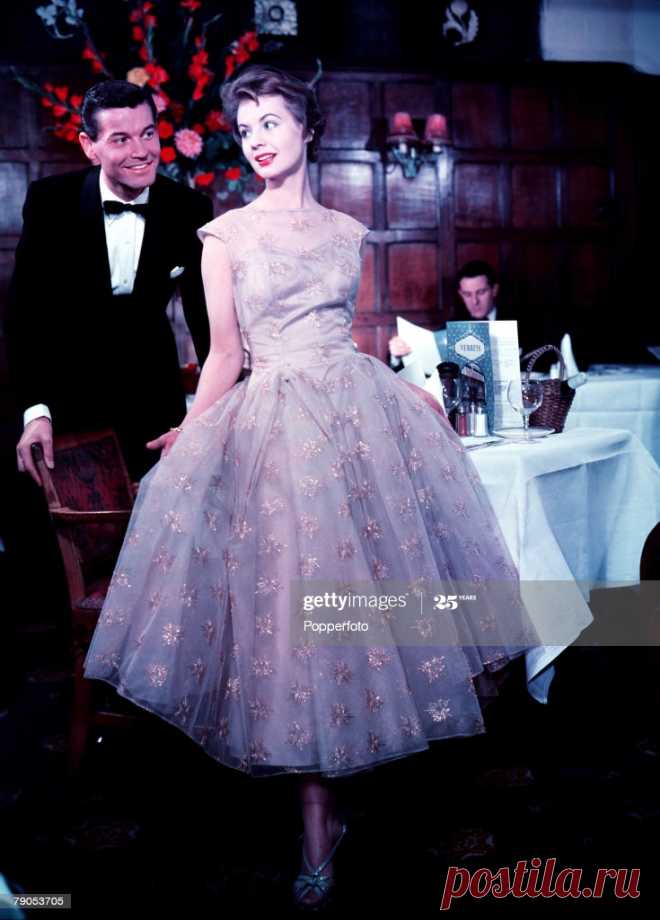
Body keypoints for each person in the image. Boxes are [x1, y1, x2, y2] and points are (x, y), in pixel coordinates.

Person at [83, 65, 537, 909]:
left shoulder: (345, 231)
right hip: (273, 425)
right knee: (294, 610)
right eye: (245, 125)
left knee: (354, 605)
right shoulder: (224, 238)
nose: (257, 138)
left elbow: (346, 334)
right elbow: (224, 354)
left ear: (308, 130)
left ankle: (347, 786)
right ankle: (318, 823)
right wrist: (189, 439)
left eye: (271, 122)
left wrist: (410, 391)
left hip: (355, 412)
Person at [5, 80, 212, 482]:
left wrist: (206, 419)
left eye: (148, 134)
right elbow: (23, 315)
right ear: (89, 145)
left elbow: (206, 322)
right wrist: (36, 411)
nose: (141, 151)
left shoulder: (189, 208)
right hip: (68, 402)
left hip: (155, 403)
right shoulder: (50, 201)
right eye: (120, 139)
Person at [388, 260, 557, 369]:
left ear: (494, 290)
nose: (474, 301)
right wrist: (397, 354)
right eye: (467, 294)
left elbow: (545, 360)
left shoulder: (523, 322)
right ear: (460, 294)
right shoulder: (453, 325)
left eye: (481, 292)